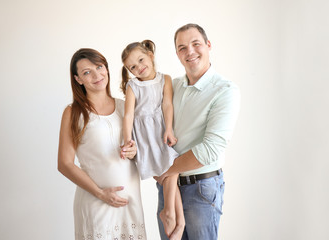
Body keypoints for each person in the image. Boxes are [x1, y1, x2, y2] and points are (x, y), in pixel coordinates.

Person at [156, 23, 241, 240]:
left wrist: (168, 171)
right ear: (177, 54)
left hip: (201, 188)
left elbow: (210, 150)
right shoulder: (171, 86)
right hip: (168, 189)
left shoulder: (225, 90)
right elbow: (151, 125)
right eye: (182, 47)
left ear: (208, 45)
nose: (190, 52)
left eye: (196, 44)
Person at [57, 48, 147, 240]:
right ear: (78, 79)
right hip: (96, 203)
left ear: (106, 68)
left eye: (99, 67)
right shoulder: (73, 113)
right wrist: (100, 193)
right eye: (87, 72)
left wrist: (135, 150)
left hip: (130, 201)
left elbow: (144, 150)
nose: (97, 75)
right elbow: (65, 164)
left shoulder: (126, 107)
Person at [120, 40, 185, 239]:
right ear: (129, 71)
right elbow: (129, 115)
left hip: (161, 133)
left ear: (151, 55)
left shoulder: (165, 79)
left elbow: (167, 105)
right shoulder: (133, 85)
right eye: (133, 67)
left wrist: (169, 129)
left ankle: (175, 216)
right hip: (146, 138)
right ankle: (174, 215)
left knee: (172, 169)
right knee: (167, 173)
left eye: (141, 60)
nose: (139, 67)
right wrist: (128, 140)